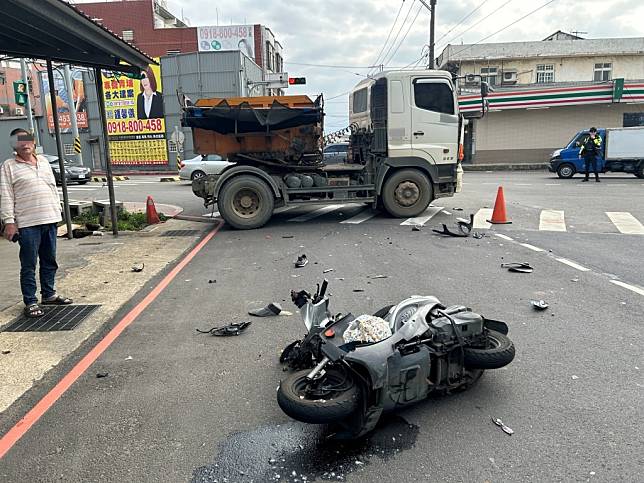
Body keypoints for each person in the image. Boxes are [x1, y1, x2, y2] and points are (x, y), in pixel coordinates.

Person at [0, 128, 72, 318]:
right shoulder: (9, 166)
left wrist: (58, 211)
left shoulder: (44, 162)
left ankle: (48, 294)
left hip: (50, 218)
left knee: (50, 260)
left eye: (27, 140)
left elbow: (52, 188)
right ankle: (30, 301)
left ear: (33, 142)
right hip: (27, 223)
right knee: (29, 263)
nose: (24, 144)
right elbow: (6, 195)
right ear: (14, 145)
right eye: (19, 141)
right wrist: (9, 222)